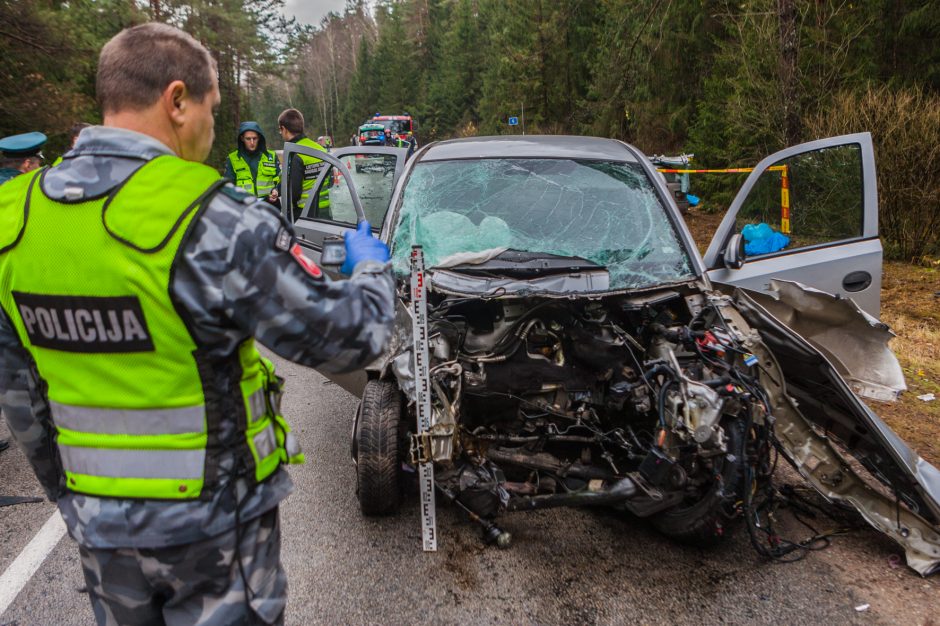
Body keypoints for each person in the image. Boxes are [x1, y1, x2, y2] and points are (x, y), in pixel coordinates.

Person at [0, 22, 394, 625]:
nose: (213, 131)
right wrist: (370, 272)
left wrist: (77, 500)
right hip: (215, 531)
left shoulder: (13, 220)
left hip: (102, 531)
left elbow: (21, 400)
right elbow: (351, 339)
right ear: (177, 100)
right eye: (211, 110)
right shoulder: (213, 218)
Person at [277, 108, 329, 222]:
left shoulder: (295, 153)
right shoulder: (320, 149)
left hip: (304, 213)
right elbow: (329, 181)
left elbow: (294, 192)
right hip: (325, 211)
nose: (280, 133)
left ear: (284, 129)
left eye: (280, 130)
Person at [223, 121, 280, 205]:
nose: (252, 142)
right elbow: (228, 187)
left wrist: (276, 190)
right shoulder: (232, 159)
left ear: (259, 138)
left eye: (255, 138)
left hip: (269, 205)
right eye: (248, 139)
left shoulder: (271, 157)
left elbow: (280, 179)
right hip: (244, 207)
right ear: (242, 138)